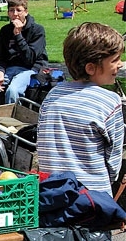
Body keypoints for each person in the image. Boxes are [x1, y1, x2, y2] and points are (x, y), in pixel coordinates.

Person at [37, 23, 124, 196]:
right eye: (115, 60)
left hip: (52, 193)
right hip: (92, 197)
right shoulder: (110, 101)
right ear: (91, 68)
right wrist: (110, 180)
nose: (120, 64)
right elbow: (113, 158)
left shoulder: (53, 95)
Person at [0, 0, 48, 106]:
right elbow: (0, 57)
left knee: (13, 91)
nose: (15, 14)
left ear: (26, 12)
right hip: (9, 69)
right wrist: (0, 74)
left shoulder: (37, 30)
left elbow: (30, 58)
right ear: (8, 13)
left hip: (31, 69)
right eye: (11, 10)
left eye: (18, 10)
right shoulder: (5, 31)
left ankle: (13, 116)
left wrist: (18, 35)